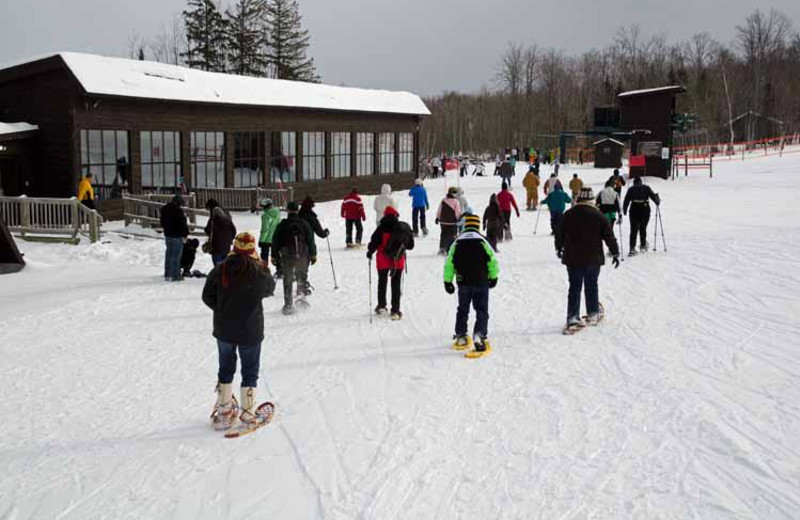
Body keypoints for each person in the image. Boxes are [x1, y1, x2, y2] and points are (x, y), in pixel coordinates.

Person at [203, 231, 276, 430]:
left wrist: (222, 310)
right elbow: (270, 289)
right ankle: (247, 412)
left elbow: (207, 296)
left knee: (225, 368)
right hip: (251, 329)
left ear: (234, 247)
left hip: (224, 329)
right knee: (250, 370)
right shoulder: (259, 270)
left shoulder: (221, 268)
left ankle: (225, 409)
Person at [555, 187, 620, 331]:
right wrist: (615, 253)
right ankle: (592, 313)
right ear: (592, 200)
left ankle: (573, 318)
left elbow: (559, 233)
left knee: (575, 287)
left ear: (578, 199)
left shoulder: (568, 214)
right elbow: (609, 236)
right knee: (592, 284)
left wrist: (558, 248)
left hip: (573, 258)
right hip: (593, 258)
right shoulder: (599, 215)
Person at [444, 214, 499, 357]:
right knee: (481, 309)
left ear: (466, 225)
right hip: (481, 281)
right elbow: (492, 260)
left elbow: (449, 262)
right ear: (478, 226)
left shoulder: (457, 242)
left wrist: (447, 281)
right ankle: (479, 335)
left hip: (463, 282)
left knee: (462, 309)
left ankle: (461, 335)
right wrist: (493, 277)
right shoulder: (483, 241)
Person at [367, 206, 414, 320]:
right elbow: (410, 245)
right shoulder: (401, 228)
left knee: (382, 282)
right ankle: (395, 310)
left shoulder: (381, 228)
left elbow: (373, 242)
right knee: (396, 284)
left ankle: (382, 305)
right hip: (397, 259)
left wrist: (370, 252)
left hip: (383, 259)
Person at [271, 201, 316, 315]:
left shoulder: (282, 225)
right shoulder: (304, 224)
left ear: (287, 210)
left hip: (287, 257)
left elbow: (275, 241)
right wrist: (313, 254)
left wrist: (274, 256)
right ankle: (301, 299)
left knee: (288, 279)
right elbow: (310, 240)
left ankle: (288, 305)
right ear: (297, 210)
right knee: (301, 276)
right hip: (302, 256)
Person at [623, 177, 661, 255]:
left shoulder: (631, 189)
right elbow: (654, 198)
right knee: (643, 228)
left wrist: (625, 210)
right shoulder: (646, 188)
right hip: (645, 210)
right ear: (641, 182)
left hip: (634, 210)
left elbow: (626, 200)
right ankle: (643, 246)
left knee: (633, 230)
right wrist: (657, 200)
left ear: (634, 183)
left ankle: (632, 248)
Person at [159, 194, 189, 281]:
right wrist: (185, 234)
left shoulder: (164, 209)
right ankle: (175, 275)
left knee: (168, 254)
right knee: (176, 256)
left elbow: (162, 222)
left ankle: (167, 273)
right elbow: (183, 223)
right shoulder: (178, 210)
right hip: (177, 235)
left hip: (168, 235)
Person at [204, 199, 237, 266]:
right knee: (225, 265)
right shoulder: (228, 220)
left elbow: (208, 230)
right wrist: (229, 239)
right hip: (227, 246)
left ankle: (218, 275)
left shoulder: (213, 221)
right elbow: (234, 231)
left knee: (217, 266)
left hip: (216, 246)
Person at [436, 186, 462, 254]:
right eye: (454, 192)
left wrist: (437, 217)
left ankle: (442, 248)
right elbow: (457, 212)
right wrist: (458, 218)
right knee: (452, 235)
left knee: (443, 234)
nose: (455, 194)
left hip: (443, 221)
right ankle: (450, 248)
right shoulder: (456, 201)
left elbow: (440, 209)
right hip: (452, 222)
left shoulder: (443, 200)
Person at [258, 198, 281, 265]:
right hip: (276, 238)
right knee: (276, 255)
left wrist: (261, 241)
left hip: (266, 240)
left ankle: (264, 269)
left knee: (264, 256)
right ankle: (279, 271)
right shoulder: (277, 213)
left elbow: (265, 230)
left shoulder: (265, 216)